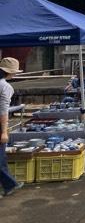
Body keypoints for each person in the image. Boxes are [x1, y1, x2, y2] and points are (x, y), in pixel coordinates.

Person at [1, 57, 24, 197]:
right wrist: (4, 131)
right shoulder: (5, 87)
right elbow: (3, 110)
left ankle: (10, 184)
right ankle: (10, 184)